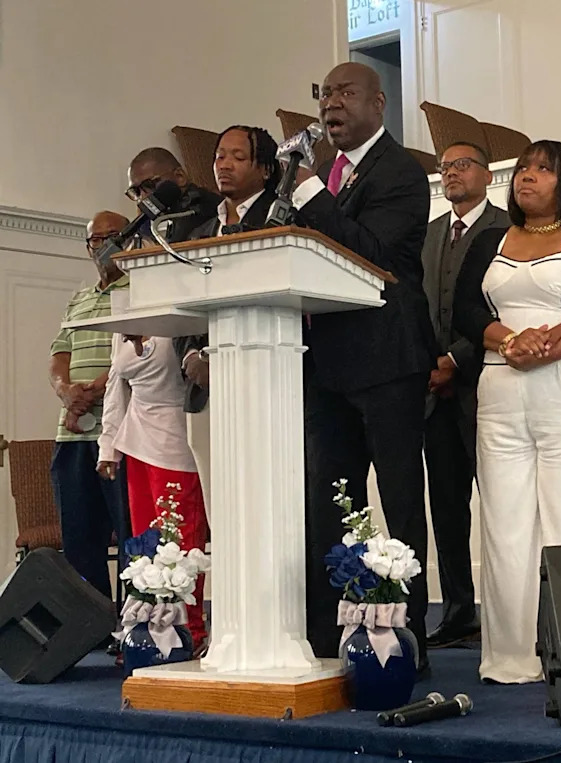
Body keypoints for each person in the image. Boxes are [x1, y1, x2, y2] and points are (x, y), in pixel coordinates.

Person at [454, 140, 561, 684]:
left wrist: (551, 346)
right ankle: (511, 655)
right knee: (504, 524)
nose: (527, 176)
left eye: (543, 169)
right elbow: (464, 309)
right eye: (523, 168)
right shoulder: (490, 240)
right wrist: (510, 340)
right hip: (501, 390)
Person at [287, 62, 434, 672]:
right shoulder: (326, 174)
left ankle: (408, 639)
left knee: (399, 500)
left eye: (346, 93)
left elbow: (371, 255)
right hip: (328, 364)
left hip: (387, 359)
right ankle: (329, 635)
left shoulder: (401, 172)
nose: (331, 105)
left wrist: (309, 196)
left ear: (378, 103)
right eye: (325, 95)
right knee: (328, 501)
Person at [421, 141, 510, 649]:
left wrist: (456, 359)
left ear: (487, 174)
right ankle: (458, 610)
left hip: (486, 385)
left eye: (462, 165)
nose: (451, 173)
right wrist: (429, 363)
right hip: (435, 395)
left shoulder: (506, 229)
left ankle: (508, 610)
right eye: (445, 167)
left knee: (500, 500)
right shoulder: (430, 232)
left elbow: (502, 309)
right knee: (447, 507)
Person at [174, 125, 282, 516]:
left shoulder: (279, 221)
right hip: (203, 388)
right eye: (220, 156)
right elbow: (182, 306)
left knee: (264, 500)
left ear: (264, 168)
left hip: (267, 383)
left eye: (238, 157)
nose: (224, 165)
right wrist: (191, 357)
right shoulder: (199, 231)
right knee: (218, 507)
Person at [96, 332, 208, 653]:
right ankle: (146, 631)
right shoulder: (124, 324)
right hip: (136, 442)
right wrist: (108, 446)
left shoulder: (178, 321)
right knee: (143, 546)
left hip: (177, 439)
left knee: (181, 546)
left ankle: (189, 633)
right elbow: (116, 385)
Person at [49, 211, 132, 607]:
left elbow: (133, 353)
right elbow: (58, 353)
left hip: (119, 436)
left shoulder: (140, 291)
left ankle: (135, 622)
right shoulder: (78, 299)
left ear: (128, 240)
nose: (102, 246)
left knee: (131, 535)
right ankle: (92, 627)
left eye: (112, 236)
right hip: (72, 436)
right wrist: (65, 391)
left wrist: (94, 390)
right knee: (79, 541)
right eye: (95, 240)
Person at [126, 147, 221, 244]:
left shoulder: (211, 207)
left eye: (149, 185)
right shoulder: (145, 225)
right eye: (136, 191)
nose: (143, 197)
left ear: (180, 177)